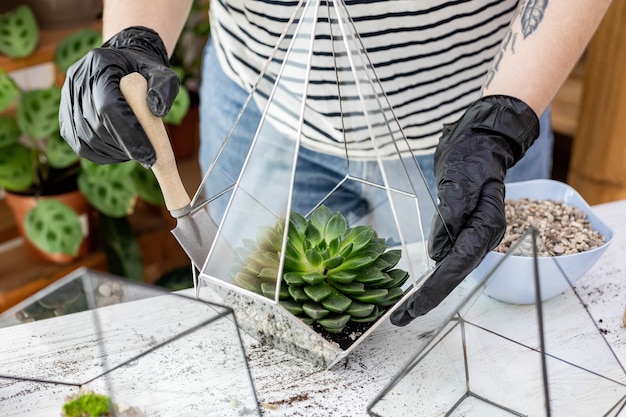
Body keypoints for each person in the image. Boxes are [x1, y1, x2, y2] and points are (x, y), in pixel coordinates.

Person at [59, 0, 611, 326]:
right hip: (259, 109)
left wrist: (501, 121)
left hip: (474, 125)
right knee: (259, 340)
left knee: (471, 338)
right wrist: (132, 40)